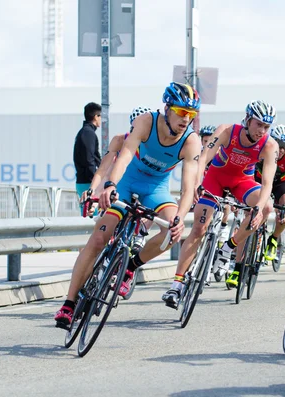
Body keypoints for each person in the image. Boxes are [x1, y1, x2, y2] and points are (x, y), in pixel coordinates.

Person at [55, 83, 202, 328]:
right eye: (181, 112)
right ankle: (69, 304)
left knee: (172, 235)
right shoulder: (147, 121)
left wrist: (180, 218)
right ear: (167, 108)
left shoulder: (191, 141)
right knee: (100, 237)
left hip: (156, 189)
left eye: (191, 114)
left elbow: (188, 188)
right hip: (127, 182)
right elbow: (123, 156)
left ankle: (130, 267)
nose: (186, 119)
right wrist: (110, 185)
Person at [162, 100, 279, 308]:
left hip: (242, 182)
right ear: (248, 120)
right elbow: (204, 156)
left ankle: (229, 247)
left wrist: (259, 208)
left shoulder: (269, 145)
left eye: (266, 127)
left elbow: (267, 182)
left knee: (267, 206)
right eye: (258, 124)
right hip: (215, 179)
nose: (262, 130)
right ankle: (177, 284)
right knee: (199, 228)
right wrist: (197, 182)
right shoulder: (227, 131)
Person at [81, 106, 152, 204]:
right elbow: (104, 170)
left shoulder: (156, 144)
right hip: (124, 190)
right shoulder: (120, 140)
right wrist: (92, 191)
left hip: (147, 190)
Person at [255, 125, 285, 261]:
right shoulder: (260, 149)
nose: (281, 149)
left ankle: (274, 239)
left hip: (280, 183)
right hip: (259, 178)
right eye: (279, 144)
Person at [199, 124, 232, 245]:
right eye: (205, 141)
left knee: (226, 203)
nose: (207, 143)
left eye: (210, 140)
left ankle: (223, 226)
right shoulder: (199, 155)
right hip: (205, 189)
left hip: (222, 187)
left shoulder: (222, 155)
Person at [73, 102, 102, 214]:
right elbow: (89, 159)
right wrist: (95, 182)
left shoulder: (86, 132)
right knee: (91, 216)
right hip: (88, 182)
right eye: (100, 116)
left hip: (86, 181)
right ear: (96, 117)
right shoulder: (88, 133)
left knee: (90, 215)